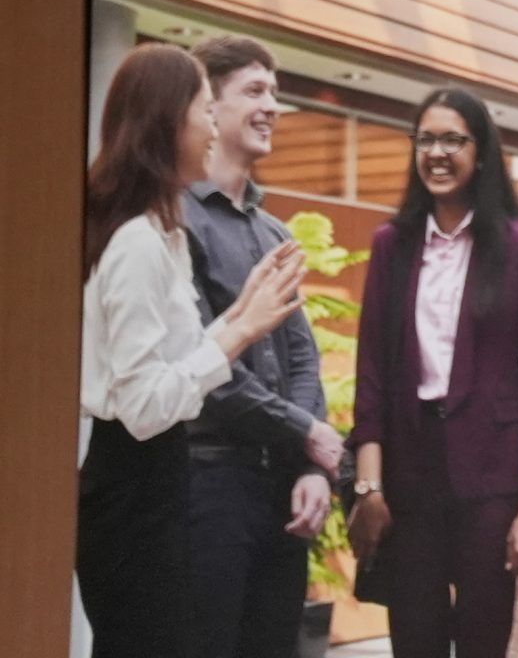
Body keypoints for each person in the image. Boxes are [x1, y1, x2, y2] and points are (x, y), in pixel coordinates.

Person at [79, 43, 308, 658]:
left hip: (156, 478)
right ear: (167, 120)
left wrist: (241, 315)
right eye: (206, 110)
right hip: (131, 483)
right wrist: (237, 333)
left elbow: (181, 360)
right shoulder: (136, 241)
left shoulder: (163, 233)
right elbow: (143, 408)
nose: (212, 127)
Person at [348, 85, 518, 658]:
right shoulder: (392, 246)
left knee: (483, 641)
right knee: (414, 639)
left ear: (481, 152)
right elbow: (372, 377)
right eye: (425, 140)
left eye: (452, 141)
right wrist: (370, 488)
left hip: (491, 479)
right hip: (410, 479)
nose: (436, 154)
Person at [182, 35, 340, 658]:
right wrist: (306, 432)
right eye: (254, 91)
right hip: (207, 487)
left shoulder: (274, 231)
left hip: (280, 491)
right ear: (210, 106)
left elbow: (300, 358)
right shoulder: (177, 220)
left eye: (274, 93)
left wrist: (311, 467)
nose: (271, 106)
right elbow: (204, 366)